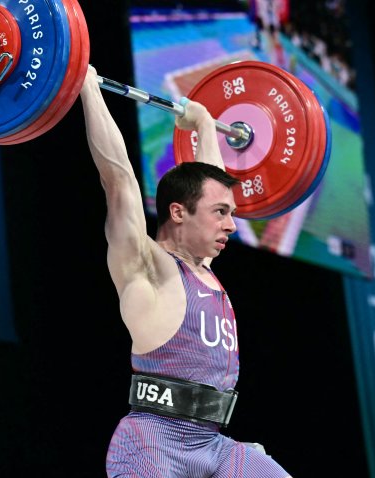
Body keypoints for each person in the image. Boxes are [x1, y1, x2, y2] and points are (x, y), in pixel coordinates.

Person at [80, 65, 293, 478]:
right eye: (221, 214)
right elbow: (119, 180)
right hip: (153, 445)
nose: (231, 224)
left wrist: (203, 127)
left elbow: (206, 186)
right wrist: (89, 90)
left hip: (213, 444)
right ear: (177, 213)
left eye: (230, 213)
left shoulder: (203, 267)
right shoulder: (146, 268)